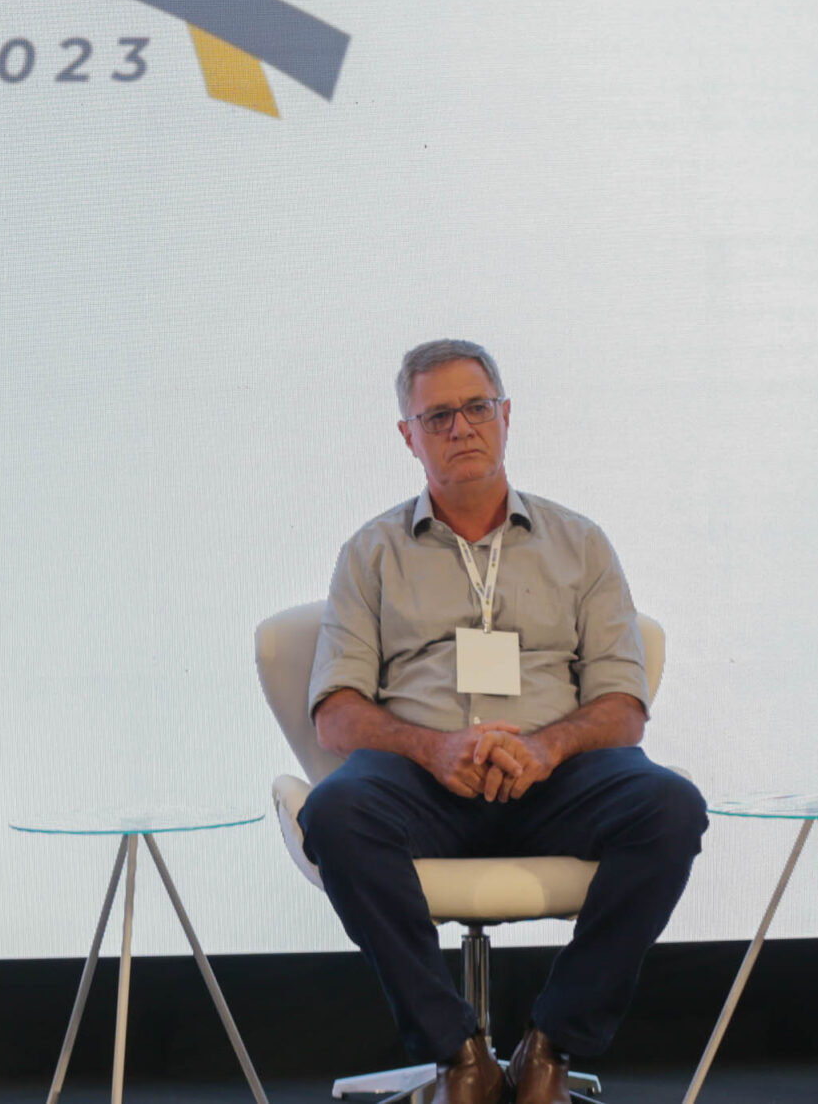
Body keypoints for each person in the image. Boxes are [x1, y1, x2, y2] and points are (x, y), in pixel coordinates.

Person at [299, 340, 708, 1104]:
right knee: (334, 812)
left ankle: (551, 1047)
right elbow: (337, 712)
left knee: (670, 807)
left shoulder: (580, 544)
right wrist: (434, 748)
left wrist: (547, 748)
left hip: (557, 778)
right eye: (438, 416)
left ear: (506, 415)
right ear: (408, 435)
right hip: (423, 781)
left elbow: (623, 704)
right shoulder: (370, 553)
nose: (461, 427)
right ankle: (459, 1054)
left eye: (476, 407)